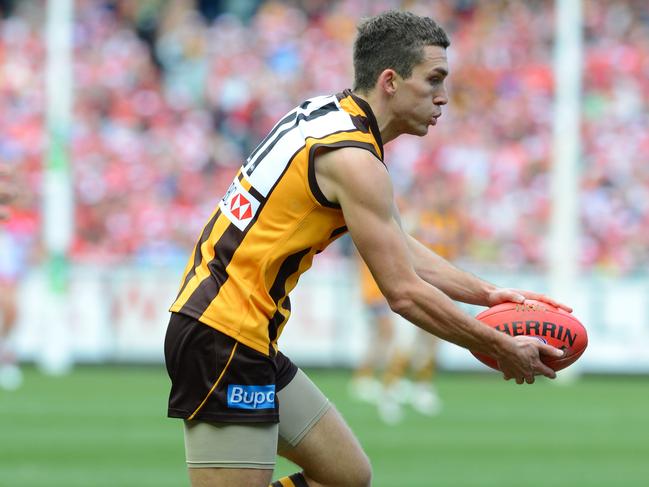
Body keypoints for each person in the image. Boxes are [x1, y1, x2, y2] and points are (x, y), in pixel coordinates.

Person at [164, 10, 570, 487]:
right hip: (222, 336)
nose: (443, 97)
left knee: (346, 477)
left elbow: (398, 244)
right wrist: (498, 347)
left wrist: (488, 295)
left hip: (241, 332)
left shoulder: (329, 118)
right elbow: (403, 292)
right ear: (391, 81)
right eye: (433, 80)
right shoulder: (354, 160)